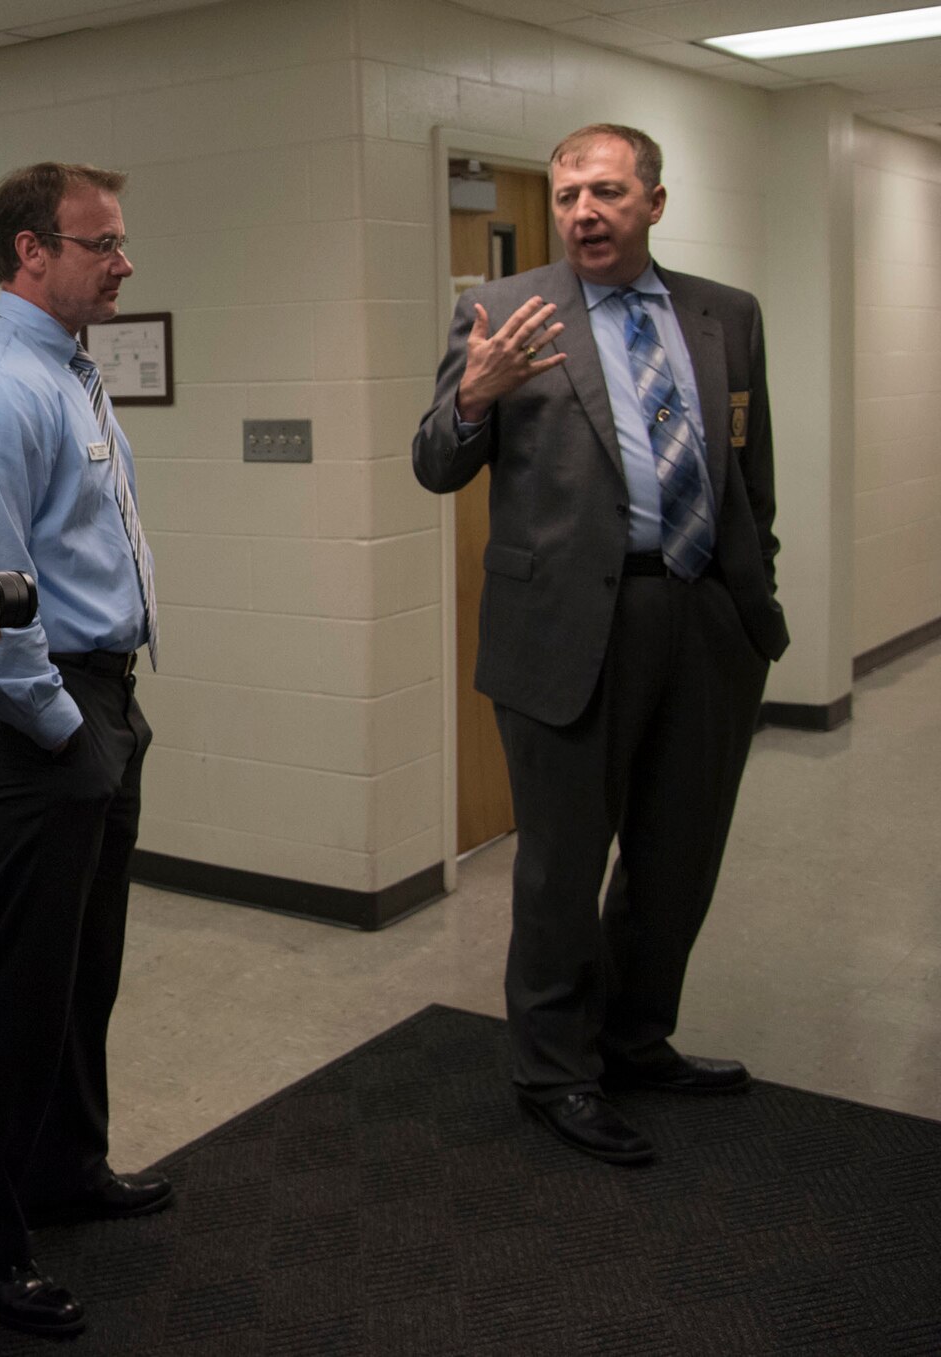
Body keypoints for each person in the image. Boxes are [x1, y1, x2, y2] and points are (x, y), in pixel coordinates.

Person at [412, 124, 787, 1165]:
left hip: (704, 615)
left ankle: (633, 1037)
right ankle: (553, 1072)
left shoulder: (724, 315)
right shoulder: (497, 311)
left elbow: (751, 472)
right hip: (567, 630)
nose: (582, 210)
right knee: (559, 871)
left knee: (676, 858)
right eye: (569, 193)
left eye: (607, 192)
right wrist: (473, 393)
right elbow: (434, 464)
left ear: (652, 204)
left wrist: (752, 599)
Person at [0, 161, 164, 1338]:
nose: (120, 263)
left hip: (98, 698)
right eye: (99, 244)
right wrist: (63, 725)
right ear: (29, 252)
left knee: (82, 969)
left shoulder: (64, 370)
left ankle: (66, 1167)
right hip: (40, 712)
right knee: (20, 991)